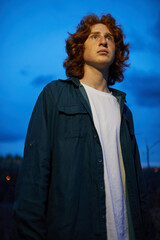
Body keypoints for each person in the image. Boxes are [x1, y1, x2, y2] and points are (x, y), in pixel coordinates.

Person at [13, 14, 153, 240]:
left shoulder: (125, 112)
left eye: (109, 38)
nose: (104, 41)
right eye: (94, 36)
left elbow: (138, 190)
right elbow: (33, 180)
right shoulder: (55, 95)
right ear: (80, 48)